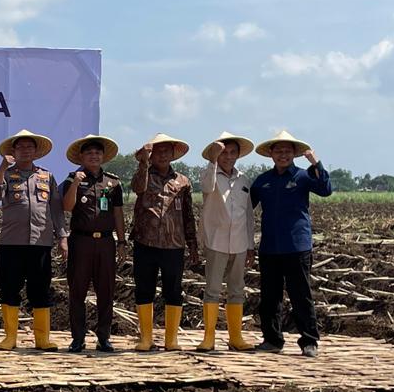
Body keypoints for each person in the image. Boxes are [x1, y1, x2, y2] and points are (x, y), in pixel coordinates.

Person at [250, 129, 332, 358]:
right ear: (271, 154)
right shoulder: (263, 181)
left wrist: (315, 162)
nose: (283, 155)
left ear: (294, 154)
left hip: (297, 246)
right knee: (269, 297)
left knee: (300, 295)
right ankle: (272, 339)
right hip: (270, 247)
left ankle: (309, 341)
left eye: (287, 151)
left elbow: (326, 190)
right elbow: (244, 207)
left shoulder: (304, 176)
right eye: (278, 151)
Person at [0, 129, 67, 351]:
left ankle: (42, 339)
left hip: (40, 242)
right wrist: (2, 167)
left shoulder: (46, 176)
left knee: (40, 289)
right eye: (20, 147)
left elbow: (56, 209)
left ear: (36, 151)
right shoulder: (6, 174)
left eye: (29, 147)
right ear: (13, 152)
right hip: (11, 242)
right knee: (9, 288)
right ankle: (10, 337)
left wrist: (62, 236)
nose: (25, 151)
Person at [130, 133, 198, 352]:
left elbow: (188, 214)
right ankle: (146, 338)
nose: (162, 155)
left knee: (173, 291)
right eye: (158, 152)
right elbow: (137, 188)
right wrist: (143, 162)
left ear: (172, 154)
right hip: (145, 242)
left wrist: (193, 243)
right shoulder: (144, 175)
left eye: (166, 151)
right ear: (151, 155)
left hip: (173, 245)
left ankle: (171, 340)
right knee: (144, 289)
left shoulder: (183, 181)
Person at [61, 134, 126, 353]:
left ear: (103, 156)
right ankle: (78, 338)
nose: (94, 156)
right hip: (81, 241)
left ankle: (104, 337)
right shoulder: (72, 179)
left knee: (106, 291)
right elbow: (67, 207)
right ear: (81, 157)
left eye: (97, 153)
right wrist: (75, 184)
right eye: (89, 153)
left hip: (106, 242)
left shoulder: (113, 182)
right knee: (77, 291)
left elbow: (118, 214)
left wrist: (122, 241)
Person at [197, 132, 257, 352]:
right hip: (216, 241)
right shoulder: (209, 173)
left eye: (232, 153)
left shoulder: (244, 180)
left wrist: (250, 245)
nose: (228, 157)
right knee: (213, 289)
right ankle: (209, 338)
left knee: (237, 290)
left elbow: (248, 215)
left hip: (240, 242)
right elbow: (206, 187)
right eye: (224, 153)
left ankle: (236, 337)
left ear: (238, 155)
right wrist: (213, 159)